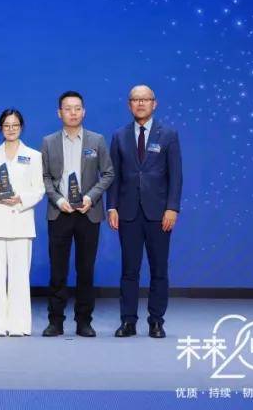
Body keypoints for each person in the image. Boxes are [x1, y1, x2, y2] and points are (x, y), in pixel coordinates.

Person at [108, 85, 182, 339]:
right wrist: (112, 206)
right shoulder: (119, 136)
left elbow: (176, 176)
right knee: (129, 270)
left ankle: (156, 321)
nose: (140, 103)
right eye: (135, 100)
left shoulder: (168, 135)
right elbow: (114, 176)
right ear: (129, 105)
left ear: (154, 103)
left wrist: (172, 207)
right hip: (128, 212)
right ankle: (128, 321)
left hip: (159, 213)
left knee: (159, 269)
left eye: (145, 99)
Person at [41, 90, 114, 337]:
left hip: (87, 212)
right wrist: (58, 199)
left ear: (84, 112)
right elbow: (45, 177)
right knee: (57, 271)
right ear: (59, 113)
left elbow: (108, 173)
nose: (73, 113)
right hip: (59, 212)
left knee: (86, 270)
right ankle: (55, 321)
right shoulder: (49, 142)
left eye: (77, 108)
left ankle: (84, 321)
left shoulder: (97, 140)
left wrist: (90, 197)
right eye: (67, 108)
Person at [0, 108, 44, 337]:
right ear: (1, 128)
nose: (11, 129)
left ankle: (19, 324)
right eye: (6, 125)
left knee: (19, 276)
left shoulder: (34, 156)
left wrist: (21, 199)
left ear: (21, 127)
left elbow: (39, 189)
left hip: (20, 219)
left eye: (15, 125)